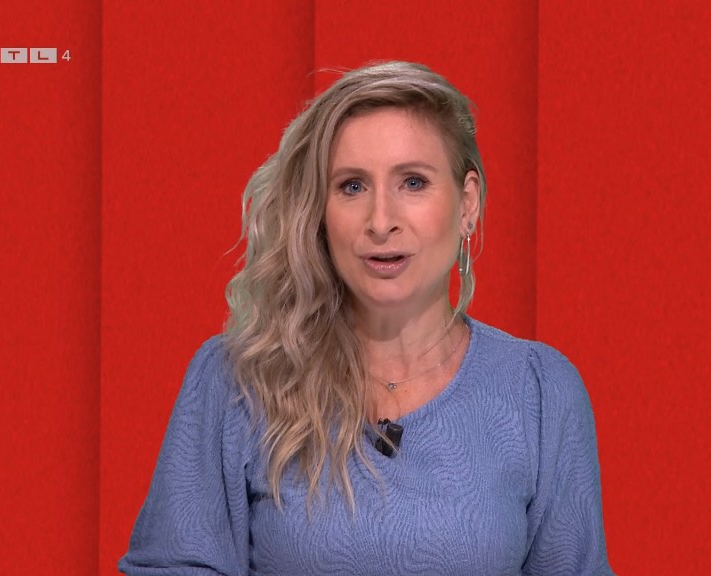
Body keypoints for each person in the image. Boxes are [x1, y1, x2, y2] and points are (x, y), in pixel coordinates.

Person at [119, 61, 613, 575]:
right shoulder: (235, 381)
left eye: (413, 182)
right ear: (320, 211)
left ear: (467, 204)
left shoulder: (540, 394)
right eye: (352, 187)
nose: (380, 221)